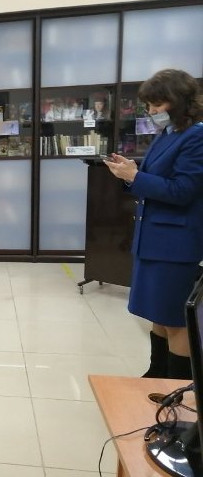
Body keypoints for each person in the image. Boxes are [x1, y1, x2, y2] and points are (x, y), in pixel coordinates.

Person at [103, 68, 203, 379]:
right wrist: (131, 173)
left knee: (175, 319)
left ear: (179, 101)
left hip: (176, 245)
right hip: (153, 239)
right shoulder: (168, 134)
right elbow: (154, 179)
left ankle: (176, 386)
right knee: (157, 314)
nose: (152, 112)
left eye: (157, 105)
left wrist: (135, 176)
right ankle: (156, 373)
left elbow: (183, 190)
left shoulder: (197, 136)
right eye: (148, 106)